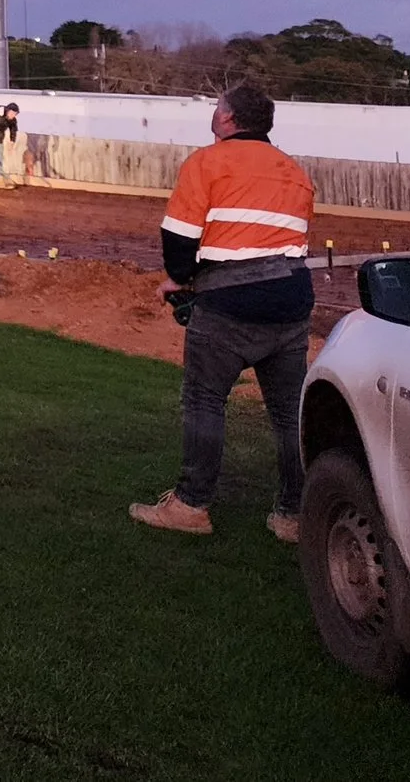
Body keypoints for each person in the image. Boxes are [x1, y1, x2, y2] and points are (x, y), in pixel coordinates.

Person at [131, 83, 315, 544]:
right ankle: (294, 515)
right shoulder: (295, 172)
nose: (214, 114)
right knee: (289, 412)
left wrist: (180, 277)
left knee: (204, 401)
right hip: (290, 301)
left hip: (229, 305)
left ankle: (191, 505)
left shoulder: (207, 162)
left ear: (229, 120)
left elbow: (179, 237)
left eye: (217, 108)